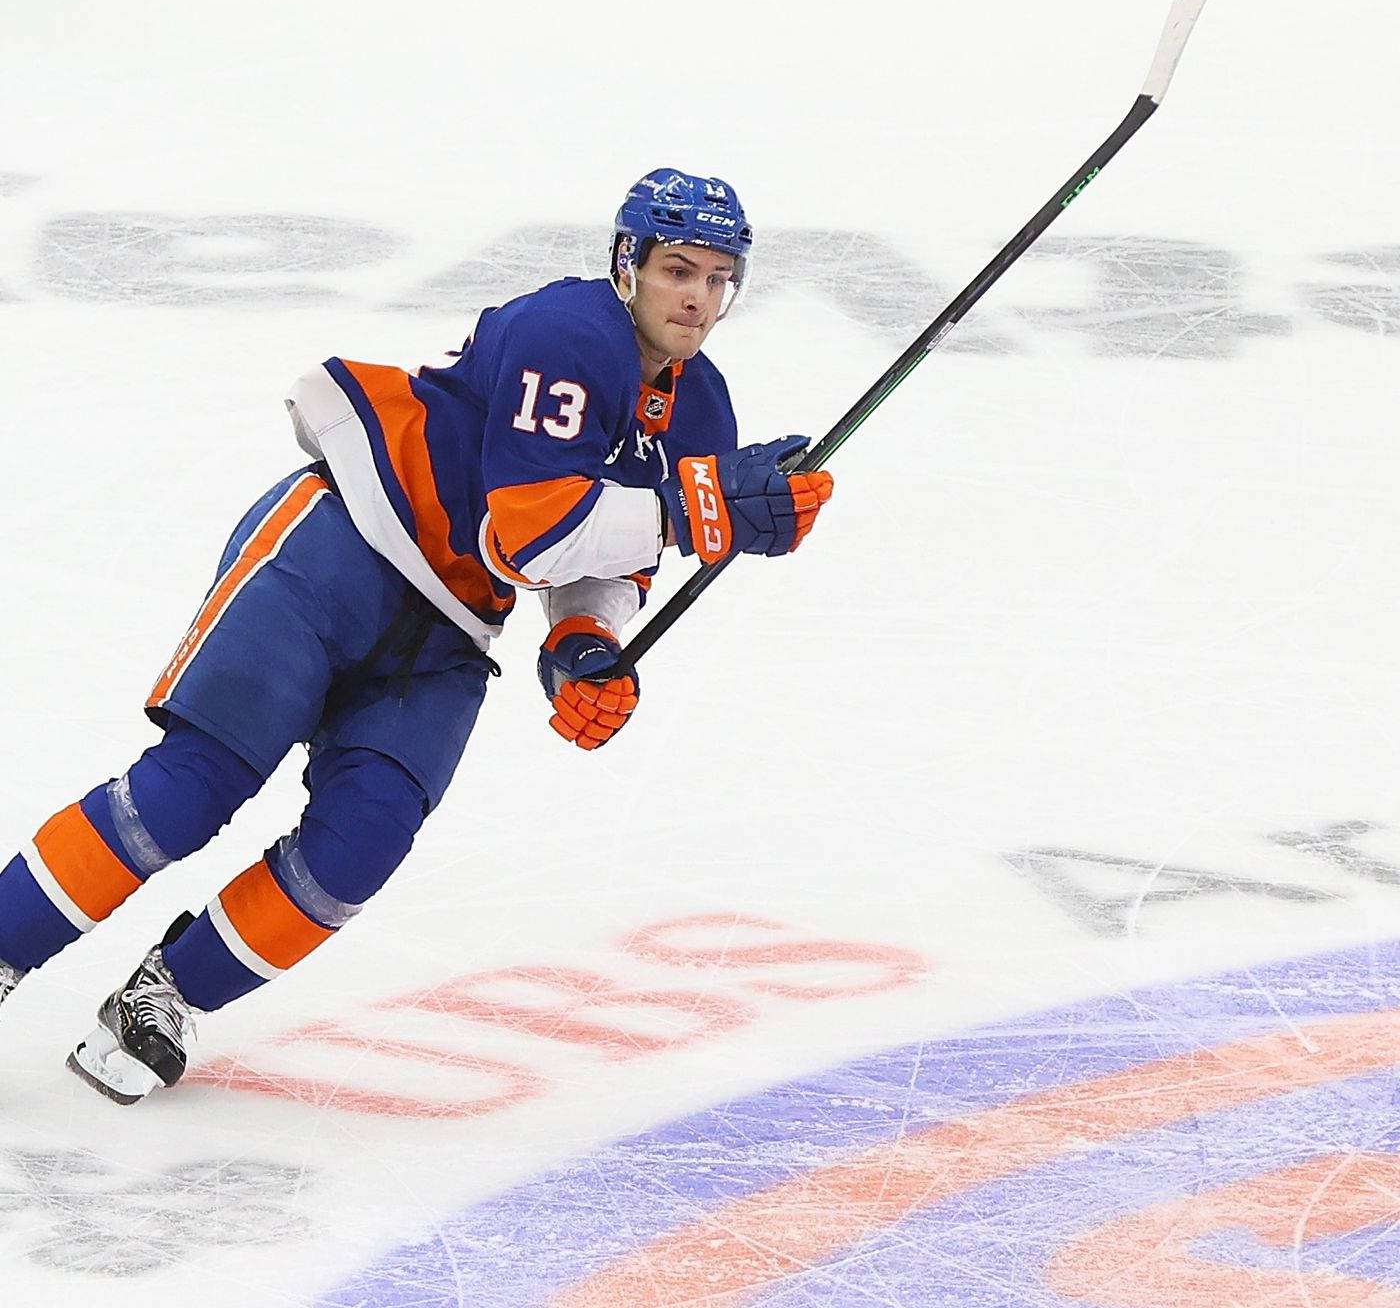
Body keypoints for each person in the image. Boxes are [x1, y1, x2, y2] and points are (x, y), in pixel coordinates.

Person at [0, 169, 834, 1105]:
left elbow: (599, 563)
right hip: (340, 549)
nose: (699, 297)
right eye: (680, 268)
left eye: (721, 278)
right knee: (193, 788)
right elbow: (532, 529)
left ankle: (166, 994)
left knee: (360, 846)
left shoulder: (702, 410)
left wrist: (585, 644)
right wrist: (696, 508)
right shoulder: (567, 331)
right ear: (626, 264)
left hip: (450, 628)